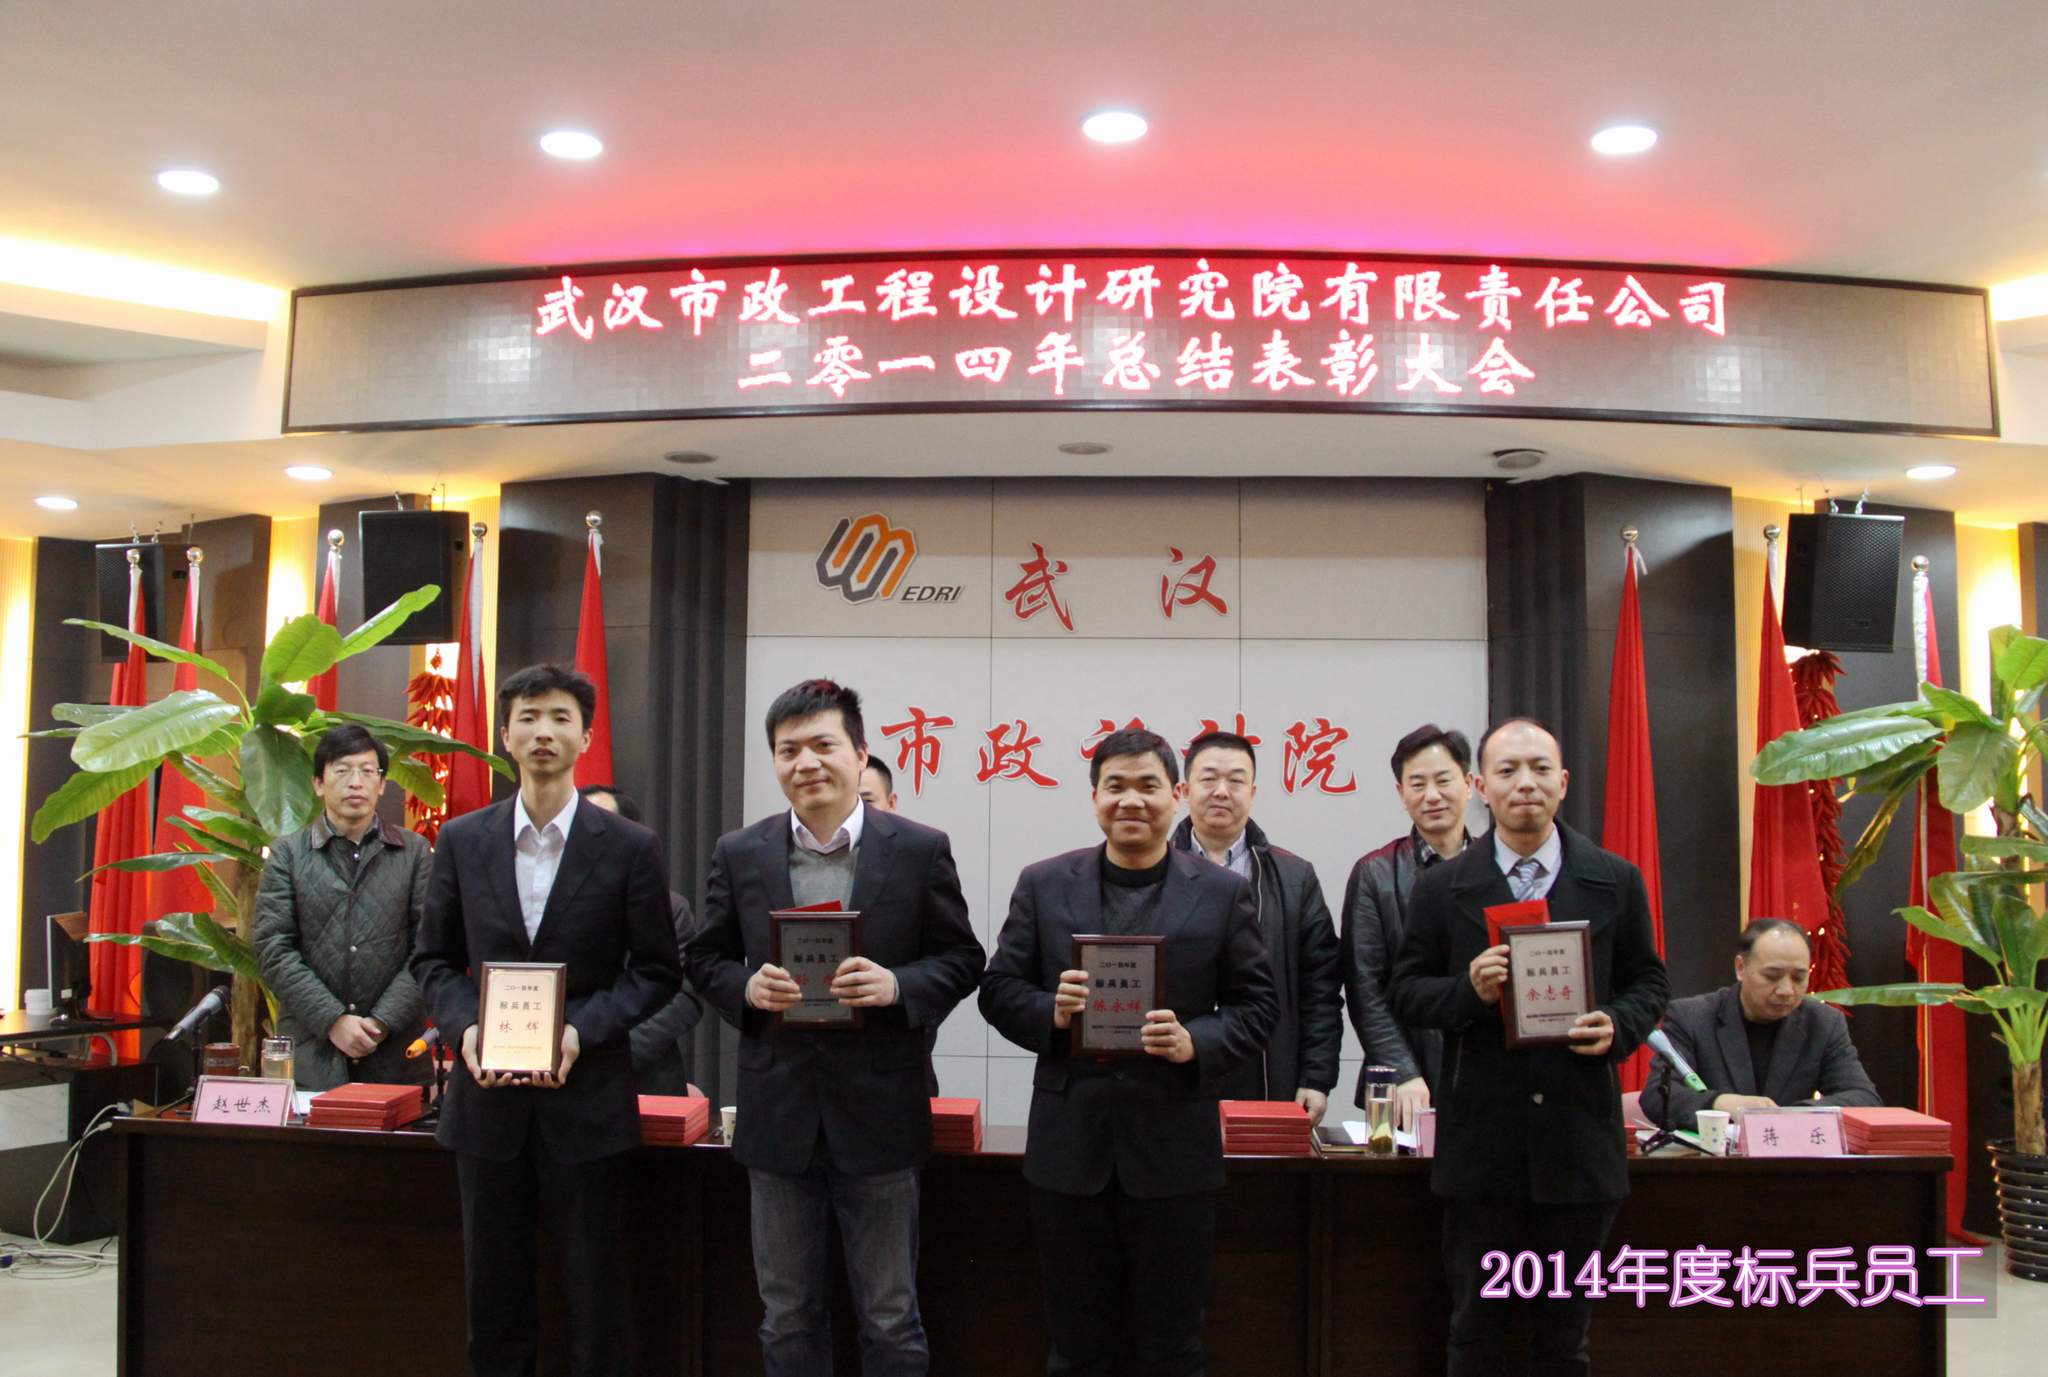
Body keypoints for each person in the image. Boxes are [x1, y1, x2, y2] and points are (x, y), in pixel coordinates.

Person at [683, 678, 984, 1377]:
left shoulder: (918, 849)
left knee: (890, 1317)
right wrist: (746, 988)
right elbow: (702, 959)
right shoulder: (741, 851)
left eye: (823, 744)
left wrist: (897, 985)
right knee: (787, 1316)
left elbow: (963, 958)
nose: (806, 762)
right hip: (777, 1114)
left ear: (860, 753)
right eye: (789, 750)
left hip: (881, 1114)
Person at [411, 664, 682, 1377]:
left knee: (597, 1298)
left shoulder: (629, 846)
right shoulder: (463, 839)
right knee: (493, 1301)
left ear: (586, 737)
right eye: (528, 717)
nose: (543, 731)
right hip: (486, 1105)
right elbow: (433, 958)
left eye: (561, 717)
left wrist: (580, 1030)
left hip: (587, 1104)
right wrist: (468, 1028)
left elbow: (657, 969)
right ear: (505, 734)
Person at [981, 728, 1277, 1377]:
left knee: (1172, 1345)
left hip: (1175, 1151)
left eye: (1148, 785)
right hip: (1069, 1150)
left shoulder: (1222, 892)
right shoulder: (1044, 883)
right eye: (1115, 786)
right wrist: (1052, 1013)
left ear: (1176, 795)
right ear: (1095, 797)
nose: (1131, 800)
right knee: (1074, 1345)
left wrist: (1195, 1041)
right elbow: (998, 989)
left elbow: (1259, 1006)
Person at [1390, 717, 1668, 1377]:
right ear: (1482, 786)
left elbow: (1650, 981)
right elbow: (1405, 991)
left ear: (1563, 782)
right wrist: (1468, 991)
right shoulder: (1442, 887)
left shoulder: (1614, 878)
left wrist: (1618, 1024)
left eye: (1540, 769)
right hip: (1483, 1148)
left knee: (1564, 1340)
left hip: (1579, 1142)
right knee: (1476, 1331)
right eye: (1508, 771)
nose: (1525, 784)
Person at [1169, 729, 1341, 1123]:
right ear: (1185, 790)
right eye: (1208, 779)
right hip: (1175, 1073)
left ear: (1253, 791)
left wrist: (1316, 1077)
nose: (1221, 791)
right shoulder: (1154, 872)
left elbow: (1321, 988)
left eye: (1235, 780)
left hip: (1268, 1069)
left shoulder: (1295, 877)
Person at [253, 722, 431, 1091]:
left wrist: (380, 1022)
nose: (356, 783)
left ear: (381, 784)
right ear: (319, 783)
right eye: (342, 771)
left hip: (394, 1058)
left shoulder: (414, 852)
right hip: (312, 1057)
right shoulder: (287, 854)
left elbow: (429, 949)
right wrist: (333, 1020)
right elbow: (274, 949)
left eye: (367, 771)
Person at [1341, 723, 1474, 1131]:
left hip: (1485, 1079)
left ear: (1469, 784)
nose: (1431, 795)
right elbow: (1365, 987)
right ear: (1402, 794)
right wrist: (1402, 1071)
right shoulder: (1374, 873)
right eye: (1417, 784)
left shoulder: (1495, 871)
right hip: (1400, 1089)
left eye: (1443, 780)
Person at [1638, 918, 1879, 1128]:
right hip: (1713, 1159)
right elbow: (1657, 1096)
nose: (1786, 990)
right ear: (1741, 968)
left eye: (1798, 978)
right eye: (1772, 976)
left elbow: (1863, 1097)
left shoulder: (1823, 1023)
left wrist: (1789, 1116)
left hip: (1790, 1159)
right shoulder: (1692, 1017)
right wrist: (1720, 1103)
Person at [579, 784, 706, 1097]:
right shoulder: (542, 907)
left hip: (643, 1078)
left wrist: (613, 1055)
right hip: (554, 1081)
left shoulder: (668, 907)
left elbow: (685, 996)